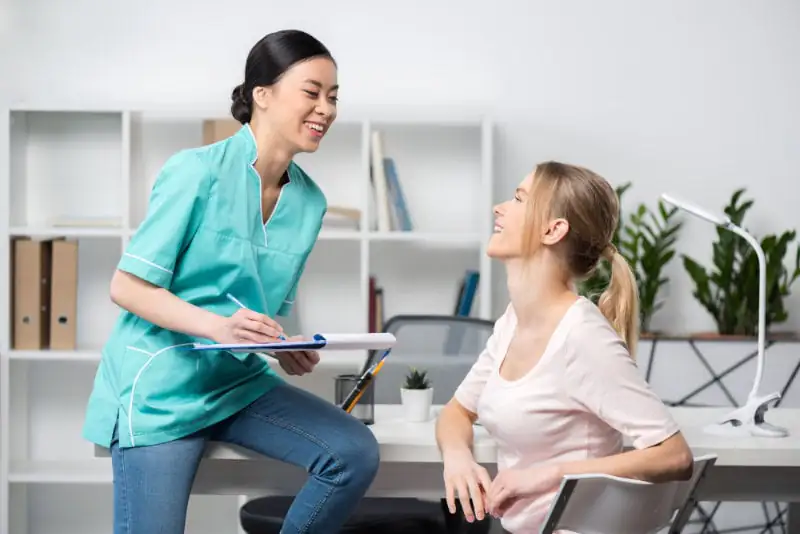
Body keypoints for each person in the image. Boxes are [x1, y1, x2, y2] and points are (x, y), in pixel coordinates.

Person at [82, 29, 380, 534]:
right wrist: (219, 329)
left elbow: (258, 306)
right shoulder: (193, 173)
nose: (326, 110)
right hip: (161, 387)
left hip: (239, 383)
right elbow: (127, 288)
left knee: (352, 450)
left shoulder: (310, 203)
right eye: (312, 92)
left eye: (333, 98)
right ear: (262, 94)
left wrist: (282, 345)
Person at [434, 162, 694, 533]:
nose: (500, 207)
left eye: (519, 199)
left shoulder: (581, 335)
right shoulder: (513, 322)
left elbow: (674, 455)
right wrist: (458, 457)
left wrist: (553, 474)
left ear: (553, 230)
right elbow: (456, 413)